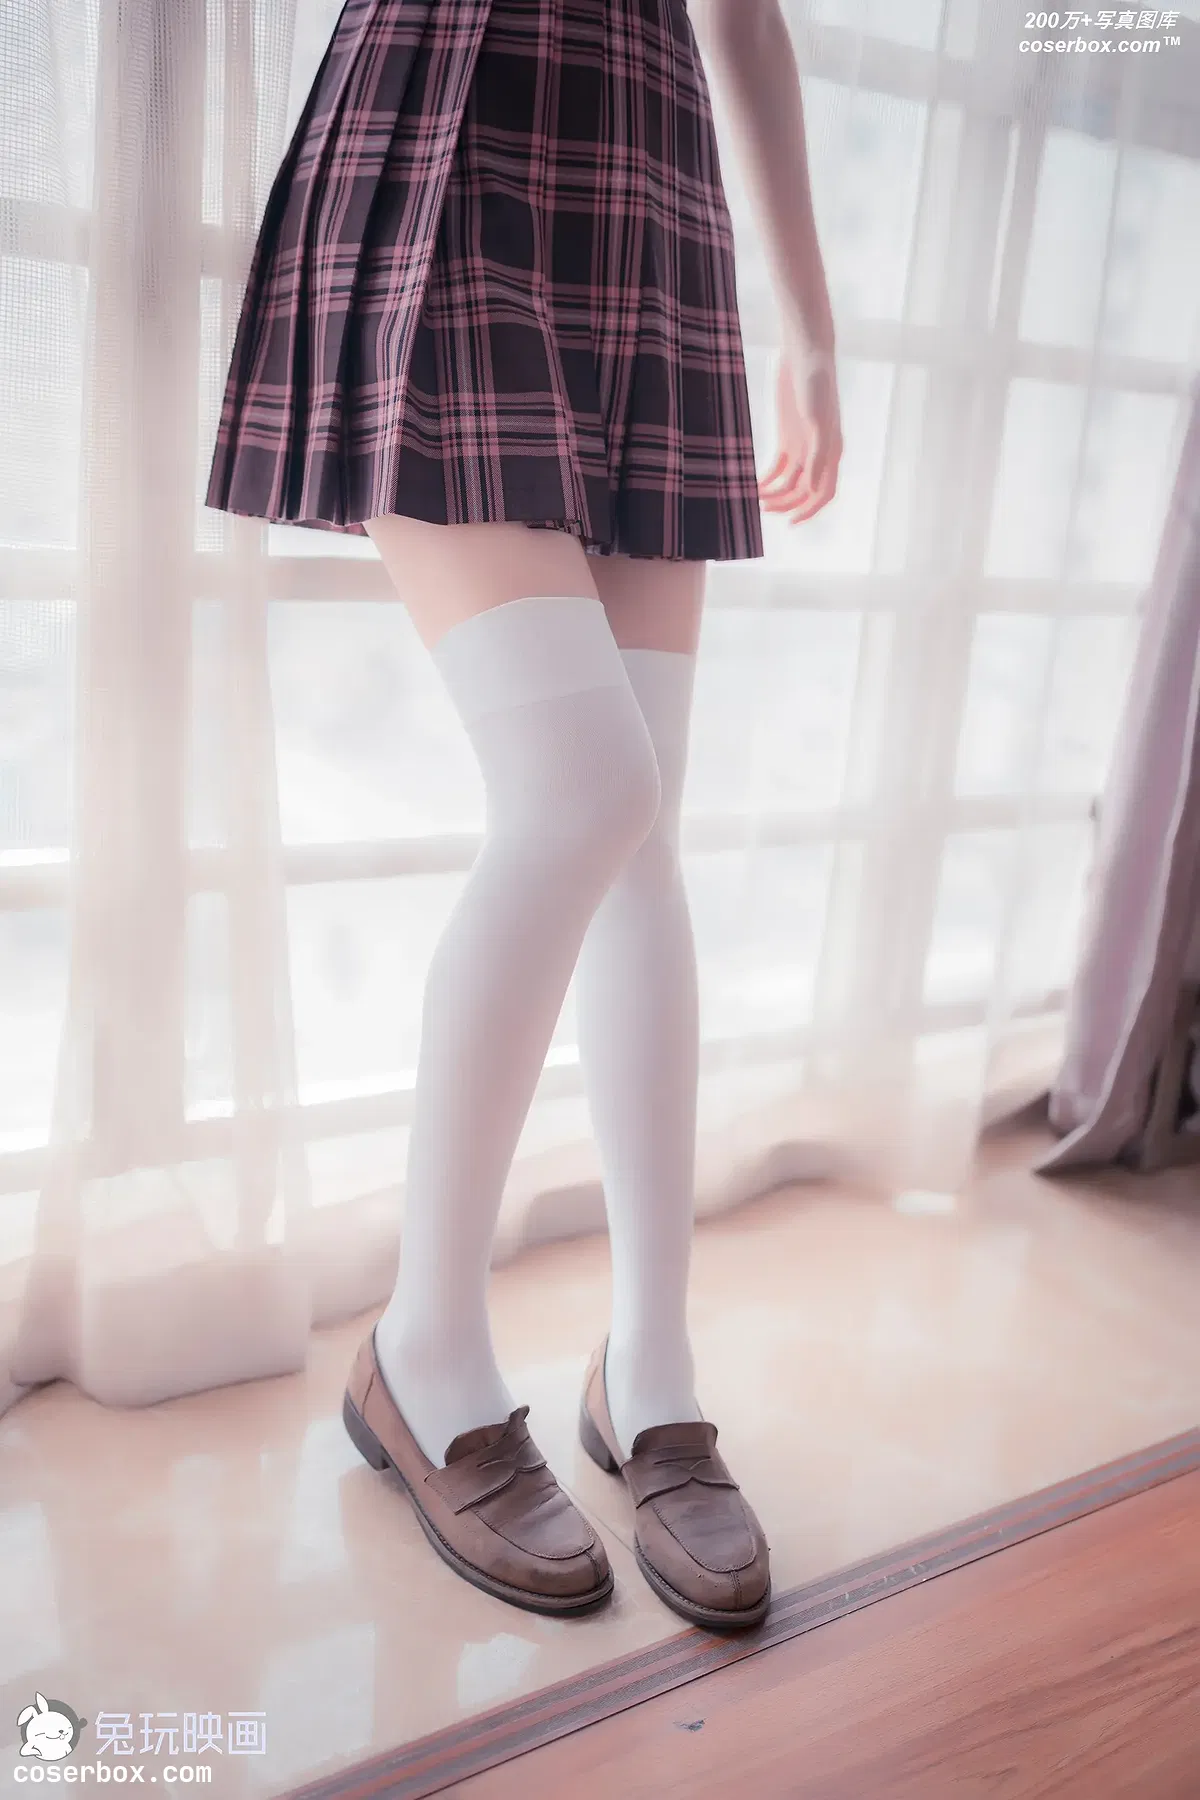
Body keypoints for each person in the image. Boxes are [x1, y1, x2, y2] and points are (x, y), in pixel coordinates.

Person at [206, 0, 840, 1631]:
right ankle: (426, 1350)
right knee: (586, 793)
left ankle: (652, 1369)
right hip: (451, 127)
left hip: (648, 183)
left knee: (643, 831)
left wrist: (812, 323)